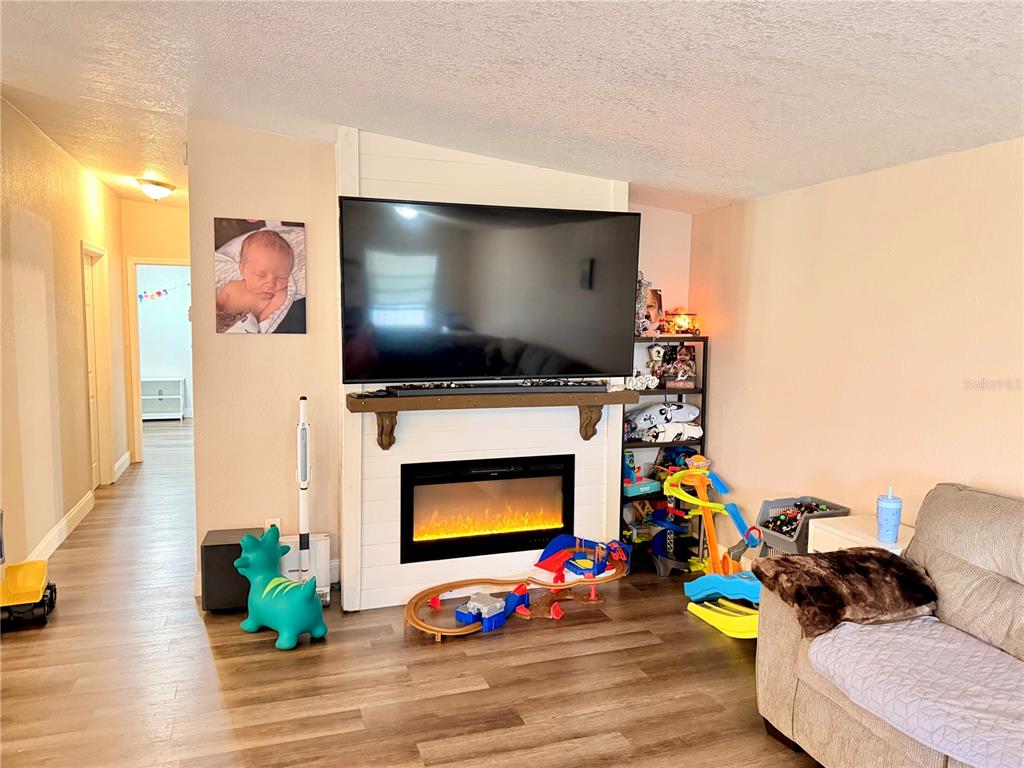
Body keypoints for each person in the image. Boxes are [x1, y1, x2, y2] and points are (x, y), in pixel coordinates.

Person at [216, 229, 293, 324]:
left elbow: (263, 326)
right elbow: (215, 305)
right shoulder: (231, 288)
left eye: (281, 277)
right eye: (260, 275)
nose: (270, 284)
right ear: (242, 270)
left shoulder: (274, 298)